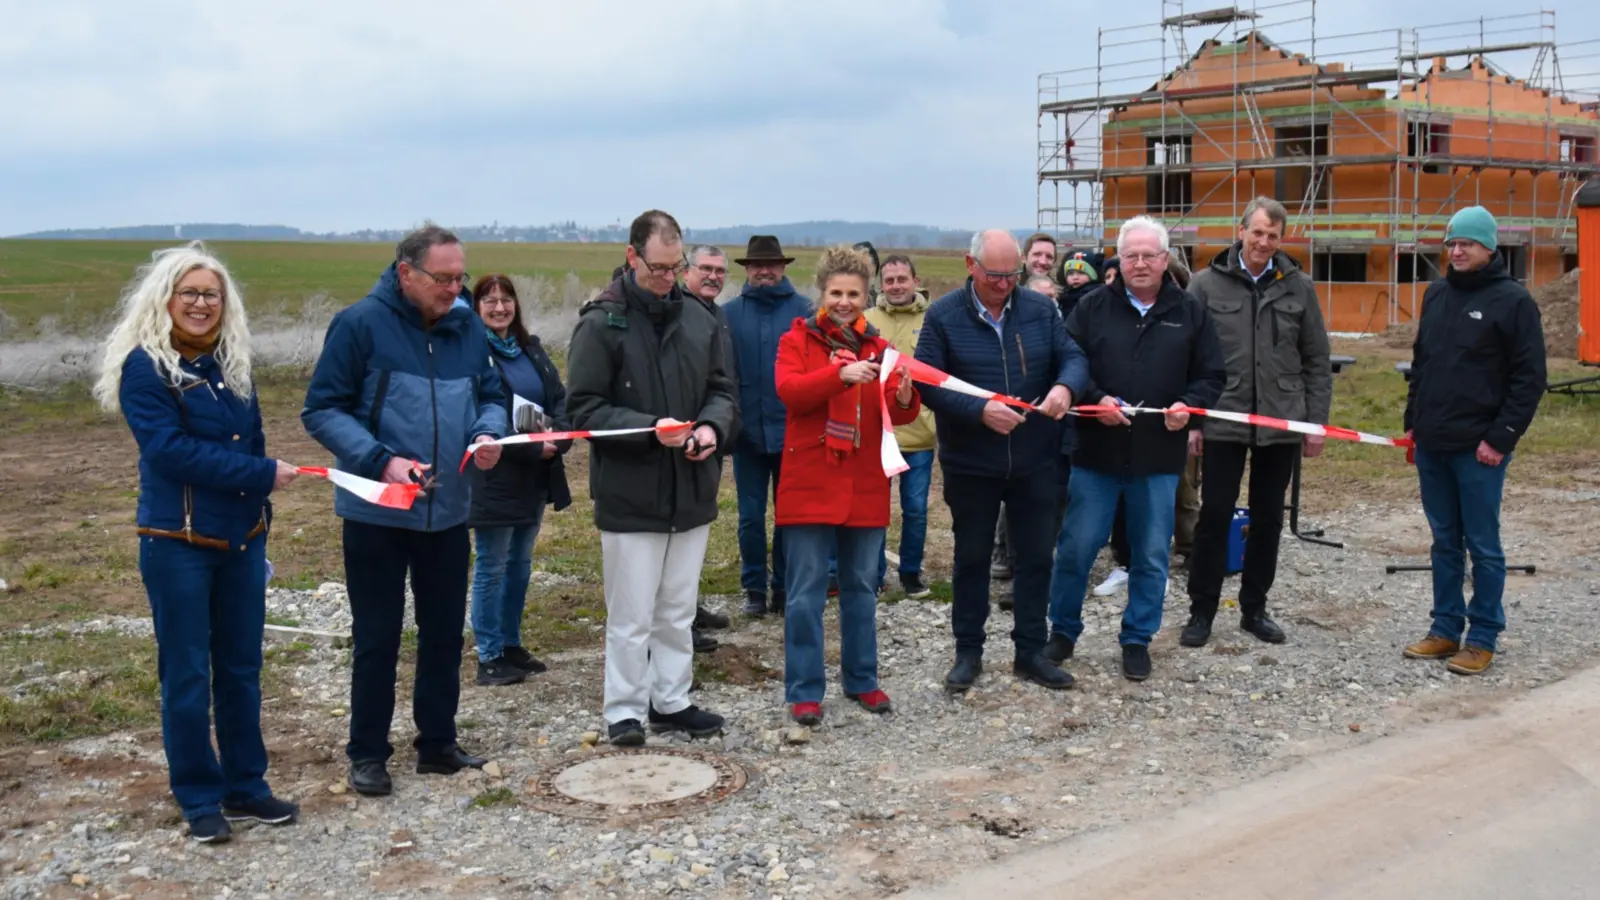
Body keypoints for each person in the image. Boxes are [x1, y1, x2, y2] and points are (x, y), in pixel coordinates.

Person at [96, 242, 300, 843]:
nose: (202, 304)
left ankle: (247, 788)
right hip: (176, 541)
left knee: (241, 669)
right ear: (166, 299)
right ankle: (198, 794)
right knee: (186, 674)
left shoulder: (232, 362)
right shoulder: (145, 367)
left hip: (241, 541)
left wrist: (259, 509)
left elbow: (253, 438)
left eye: (212, 294)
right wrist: (263, 477)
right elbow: (170, 452)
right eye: (190, 293)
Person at [303, 225, 508, 796]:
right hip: (377, 513)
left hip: (447, 512)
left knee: (444, 633)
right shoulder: (359, 324)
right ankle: (367, 753)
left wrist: (488, 432)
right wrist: (380, 460)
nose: (454, 289)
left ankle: (437, 743)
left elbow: (490, 395)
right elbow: (321, 409)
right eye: (443, 279)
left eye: (459, 276)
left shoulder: (467, 327)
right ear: (405, 273)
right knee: (378, 637)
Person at [565, 209, 738, 745]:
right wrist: (647, 428)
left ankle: (672, 699)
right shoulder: (601, 322)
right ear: (632, 256)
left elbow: (724, 390)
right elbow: (583, 410)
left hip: (691, 486)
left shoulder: (699, 318)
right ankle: (623, 710)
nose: (668, 278)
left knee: (678, 607)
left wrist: (711, 428)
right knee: (632, 611)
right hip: (630, 489)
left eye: (675, 266)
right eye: (658, 268)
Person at [1047, 216, 1224, 682]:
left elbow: (1212, 375)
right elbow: (1068, 362)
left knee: (1150, 555)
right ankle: (1062, 632)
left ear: (1165, 260)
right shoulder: (1090, 309)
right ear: (1118, 260)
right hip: (1096, 454)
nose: (1140, 263)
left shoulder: (1189, 311)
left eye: (1150, 255)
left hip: (1158, 458)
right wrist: (1093, 399)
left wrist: (1192, 405)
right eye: (1131, 256)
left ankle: (1136, 639)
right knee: (1075, 550)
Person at [915, 229, 1089, 693]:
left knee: (1035, 557)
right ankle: (968, 652)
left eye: (1012, 273)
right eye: (994, 275)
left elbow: (1073, 357)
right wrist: (979, 411)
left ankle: (1030, 651)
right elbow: (927, 382)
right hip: (971, 461)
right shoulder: (942, 317)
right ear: (970, 266)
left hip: (1036, 458)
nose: (1004, 283)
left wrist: (1064, 388)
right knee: (971, 558)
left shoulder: (1040, 309)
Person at [775, 245, 922, 724]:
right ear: (821, 293)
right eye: (836, 292)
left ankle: (862, 680)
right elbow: (792, 394)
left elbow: (898, 414)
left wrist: (904, 396)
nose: (845, 301)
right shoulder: (795, 341)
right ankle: (804, 689)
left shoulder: (879, 347)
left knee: (862, 586)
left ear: (867, 295)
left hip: (864, 484)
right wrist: (839, 375)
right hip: (810, 482)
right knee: (805, 594)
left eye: (854, 293)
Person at [1401, 206, 1546, 676]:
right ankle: (1445, 628)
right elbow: (1422, 365)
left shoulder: (1513, 301)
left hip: (1479, 448)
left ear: (1489, 248)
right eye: (1452, 243)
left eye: (1467, 244)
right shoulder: (1437, 295)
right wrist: (1413, 423)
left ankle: (1482, 634)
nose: (1457, 251)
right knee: (1444, 541)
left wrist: (1500, 438)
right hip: (1433, 442)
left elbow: (1529, 378)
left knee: (1482, 544)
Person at [1181, 198, 1332, 648]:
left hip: (1280, 421)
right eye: (1258, 232)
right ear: (1241, 230)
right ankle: (1202, 611)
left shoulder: (1298, 287)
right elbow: (1188, 357)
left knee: (1268, 519)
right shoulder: (1205, 285)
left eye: (1273, 235)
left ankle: (1254, 608)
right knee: (1213, 516)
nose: (1264, 242)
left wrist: (1315, 423)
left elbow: (1316, 359)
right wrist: (1192, 420)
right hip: (1222, 418)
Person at [466, 275, 574, 686]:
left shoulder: (531, 348)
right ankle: (489, 655)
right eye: (489, 300)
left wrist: (558, 438)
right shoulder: (473, 355)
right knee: (492, 565)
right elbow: (481, 413)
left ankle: (511, 644)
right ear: (476, 307)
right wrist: (531, 447)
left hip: (536, 475)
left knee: (520, 564)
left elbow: (558, 397)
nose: (498, 307)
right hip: (495, 475)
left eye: (506, 299)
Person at [723, 235, 813, 617]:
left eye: (771, 264)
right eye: (756, 265)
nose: (764, 270)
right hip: (747, 435)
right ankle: (754, 588)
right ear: (746, 269)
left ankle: (783, 586)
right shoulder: (727, 314)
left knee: (789, 516)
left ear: (783, 267)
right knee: (749, 516)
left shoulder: (805, 312)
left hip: (793, 433)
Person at [864, 254, 937, 599]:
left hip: (920, 434)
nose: (895, 286)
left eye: (901, 279)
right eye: (889, 280)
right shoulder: (866, 320)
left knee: (916, 510)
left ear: (914, 280)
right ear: (881, 284)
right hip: (878, 434)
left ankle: (910, 573)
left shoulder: (933, 319)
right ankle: (874, 574)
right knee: (875, 511)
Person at [681, 244, 739, 648]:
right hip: (684, 435)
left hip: (712, 432)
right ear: (687, 270)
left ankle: (689, 606)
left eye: (720, 270)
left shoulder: (716, 314)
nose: (713, 276)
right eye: (705, 268)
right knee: (682, 526)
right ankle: (679, 621)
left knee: (698, 524)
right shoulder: (680, 311)